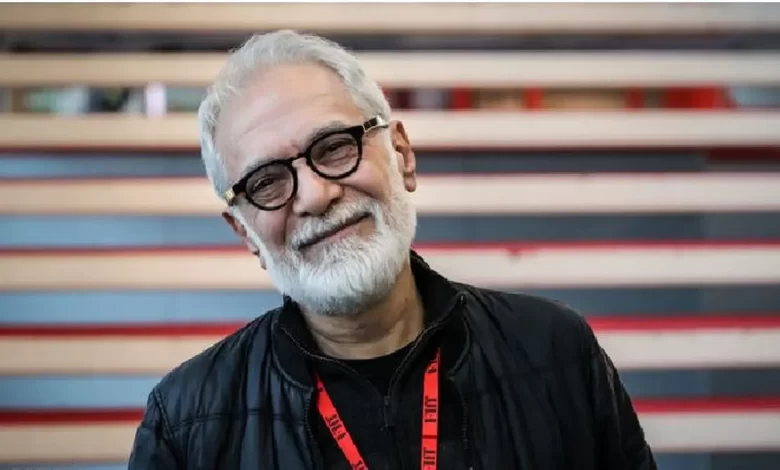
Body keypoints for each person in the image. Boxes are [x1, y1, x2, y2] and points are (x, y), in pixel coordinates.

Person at [128, 30, 656, 470]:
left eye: (335, 147)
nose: (315, 196)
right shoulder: (187, 426)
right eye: (267, 181)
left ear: (402, 155)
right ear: (245, 233)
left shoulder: (555, 353)